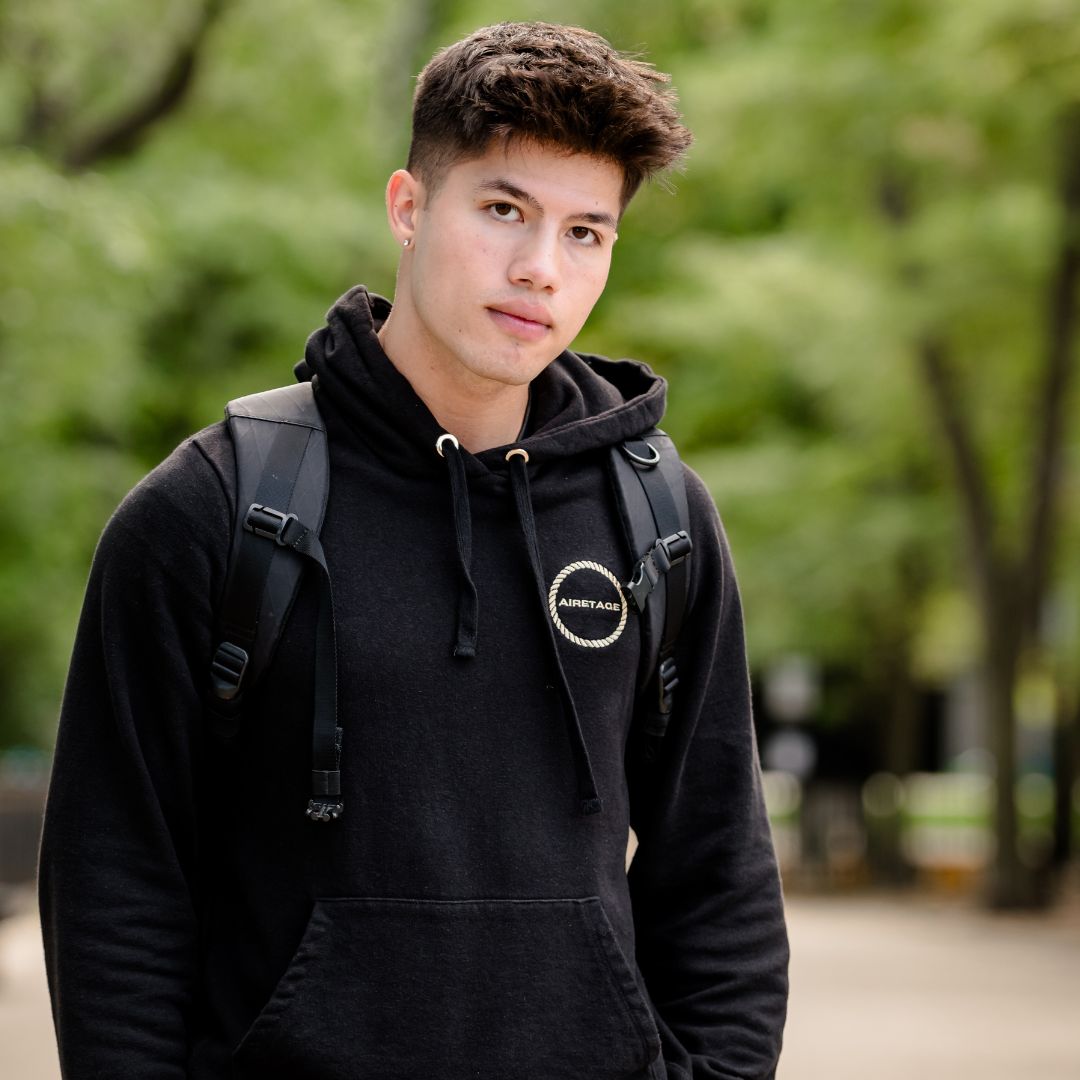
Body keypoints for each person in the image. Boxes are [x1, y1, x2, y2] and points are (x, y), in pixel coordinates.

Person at [39, 21, 789, 1080]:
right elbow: (116, 885)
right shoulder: (215, 509)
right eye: (503, 210)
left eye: (587, 233)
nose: (540, 269)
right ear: (408, 206)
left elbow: (719, 878)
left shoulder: (658, 517)